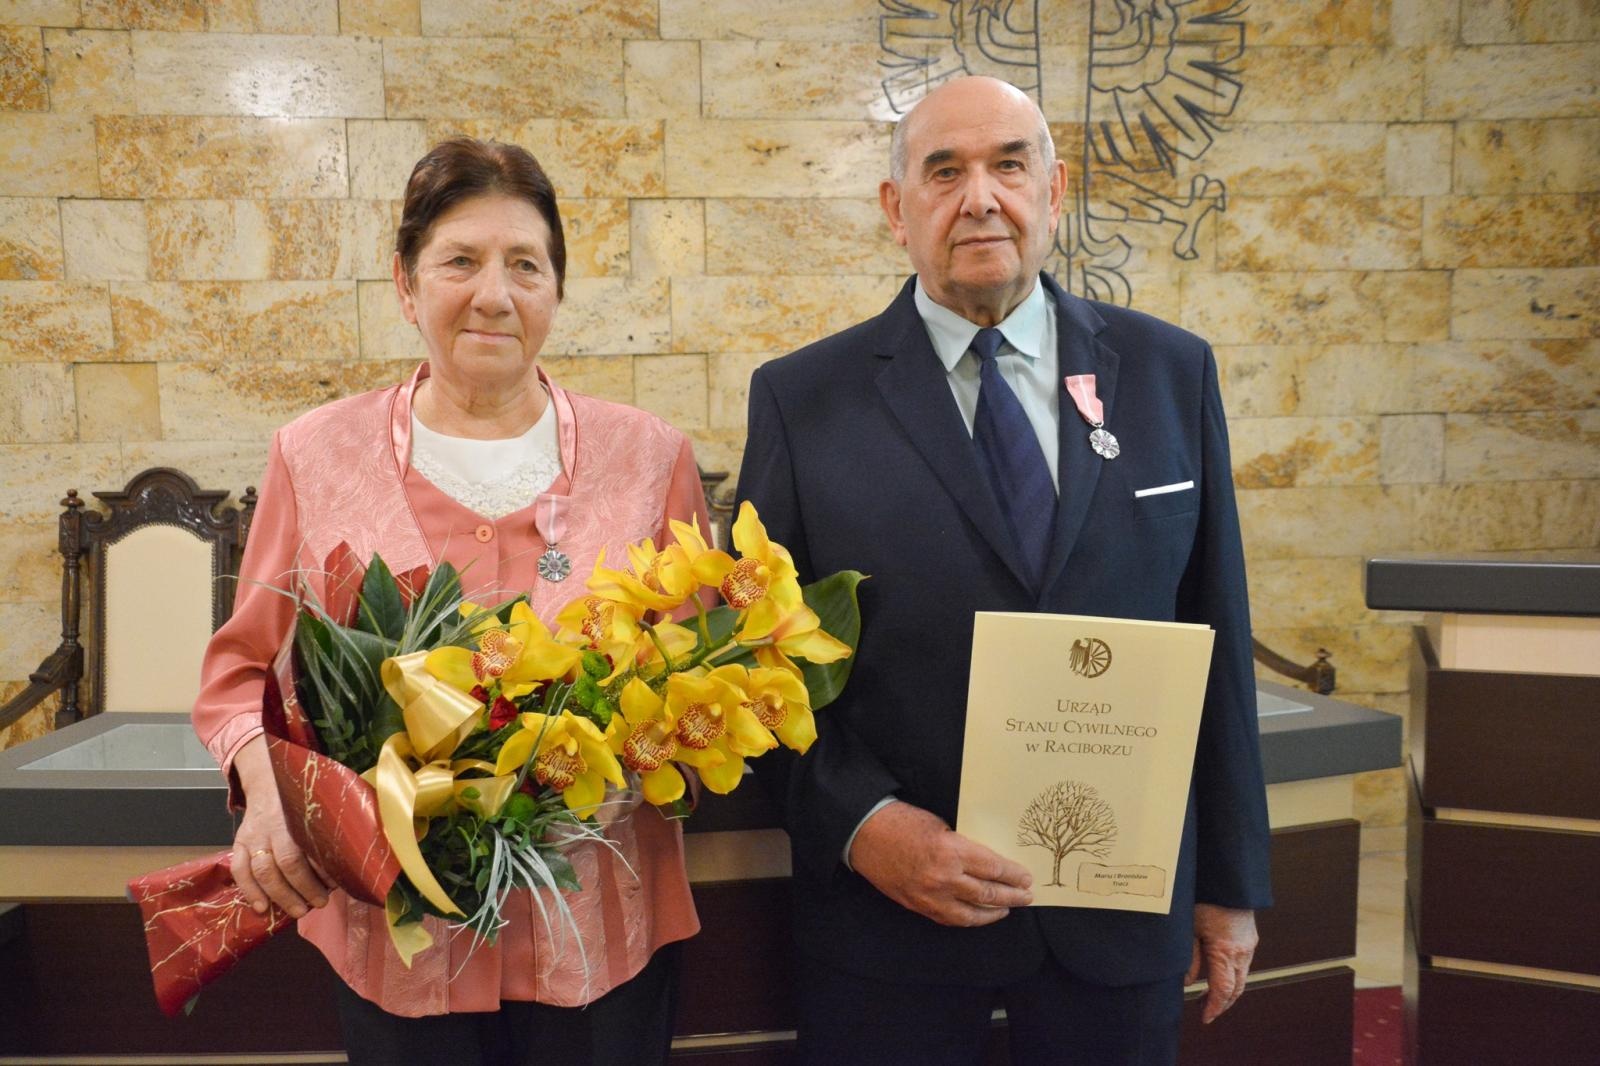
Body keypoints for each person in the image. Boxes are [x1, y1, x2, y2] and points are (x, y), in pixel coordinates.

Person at [734, 77, 1272, 1066]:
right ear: (897, 208)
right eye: (944, 172)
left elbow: (1218, 632)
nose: (980, 198)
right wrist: (864, 825)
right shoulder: (801, 403)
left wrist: (1230, 884)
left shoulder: (1170, 373)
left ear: (1052, 191)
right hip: (891, 929)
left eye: (1008, 166)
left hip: (1118, 922)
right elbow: (756, 672)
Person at [193, 138, 706, 1066]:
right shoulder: (314, 454)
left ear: (556, 288)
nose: (494, 294)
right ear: (405, 282)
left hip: (597, 928)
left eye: (525, 265)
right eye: (460, 261)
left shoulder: (651, 458)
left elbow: (699, 677)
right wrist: (266, 792)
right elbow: (239, 674)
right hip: (396, 938)